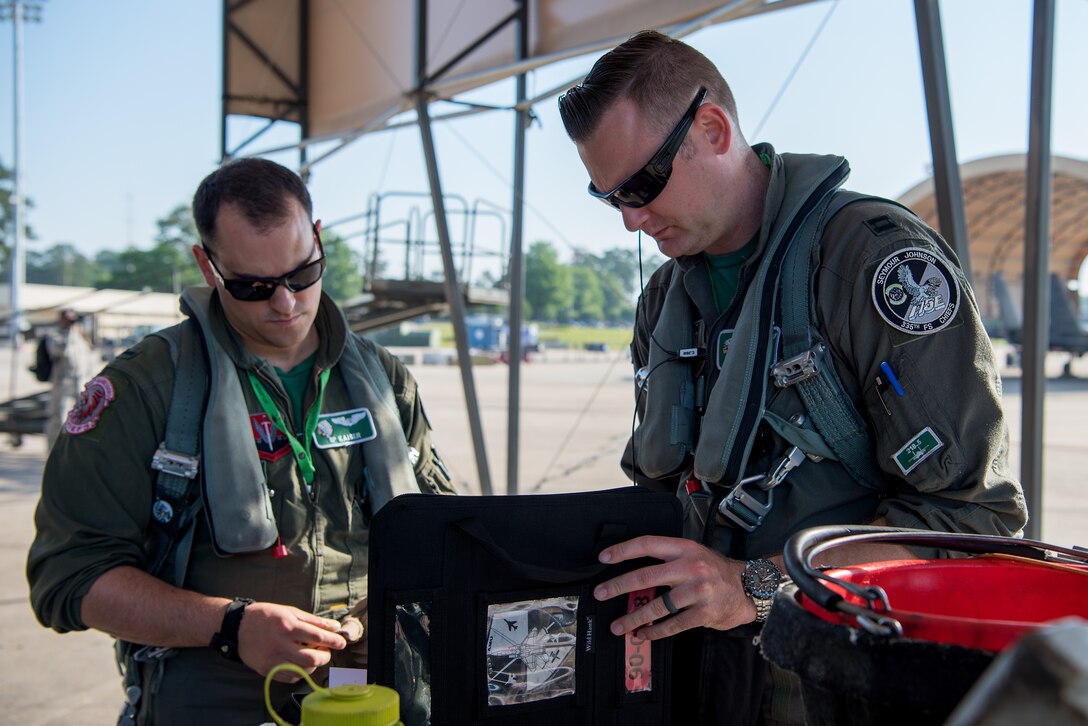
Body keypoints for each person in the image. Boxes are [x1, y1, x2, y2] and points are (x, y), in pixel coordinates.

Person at [558, 31, 1026, 724]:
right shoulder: (665, 302)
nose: (630, 219)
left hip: (837, 677)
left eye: (642, 185)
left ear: (712, 129)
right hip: (704, 676)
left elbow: (972, 522)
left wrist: (753, 584)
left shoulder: (870, 263)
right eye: (609, 198)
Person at [27, 157, 456, 724]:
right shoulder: (146, 390)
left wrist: (396, 606)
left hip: (373, 695)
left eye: (303, 275)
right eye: (254, 286)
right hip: (217, 696)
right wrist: (230, 624)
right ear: (208, 266)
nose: (286, 303)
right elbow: (67, 577)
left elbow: (444, 532)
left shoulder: (385, 381)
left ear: (318, 239)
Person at [43, 308, 96, 446]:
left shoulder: (82, 338)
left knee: (84, 419)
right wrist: (71, 333)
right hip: (63, 384)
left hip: (82, 384)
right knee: (60, 418)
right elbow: (61, 352)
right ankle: (55, 449)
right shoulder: (55, 336)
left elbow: (89, 360)